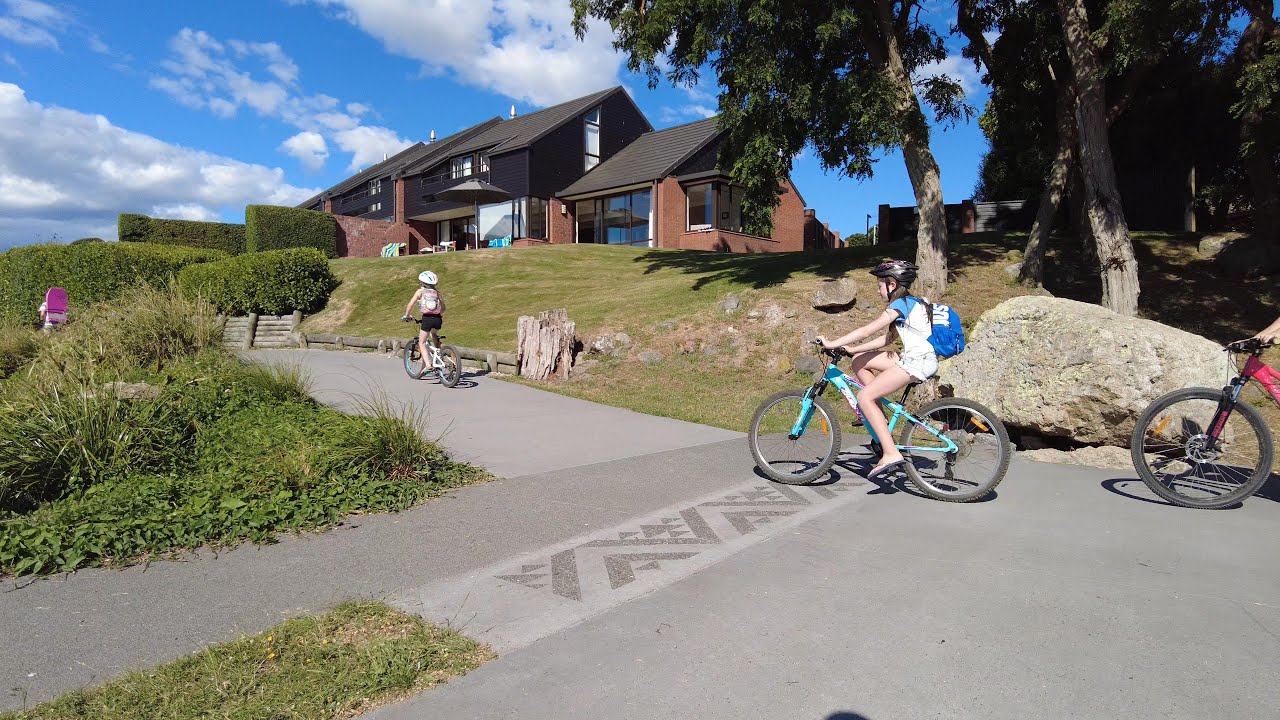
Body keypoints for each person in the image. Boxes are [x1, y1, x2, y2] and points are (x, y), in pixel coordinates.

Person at [817, 260, 938, 480]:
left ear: (892, 284)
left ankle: (891, 452)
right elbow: (886, 339)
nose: (877, 289)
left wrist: (832, 343)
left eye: (880, 284)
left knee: (864, 397)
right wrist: (853, 350)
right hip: (919, 358)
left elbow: (867, 330)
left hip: (917, 361)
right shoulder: (911, 303)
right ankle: (878, 420)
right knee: (860, 362)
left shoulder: (900, 305)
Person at [402, 270, 445, 363]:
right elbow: (443, 308)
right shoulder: (437, 293)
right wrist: (438, 315)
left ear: (422, 282)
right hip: (438, 319)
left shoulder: (420, 291)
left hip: (427, 319)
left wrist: (407, 316)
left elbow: (410, 305)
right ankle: (439, 353)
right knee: (433, 333)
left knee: (422, 342)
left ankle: (428, 365)